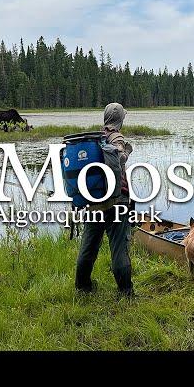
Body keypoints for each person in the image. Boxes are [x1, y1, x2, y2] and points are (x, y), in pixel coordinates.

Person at [75, 102, 135, 297]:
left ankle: (82, 287)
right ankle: (126, 292)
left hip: (93, 203)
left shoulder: (96, 139)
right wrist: (127, 150)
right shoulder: (117, 137)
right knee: (119, 247)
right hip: (117, 202)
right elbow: (119, 158)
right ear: (120, 120)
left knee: (89, 245)